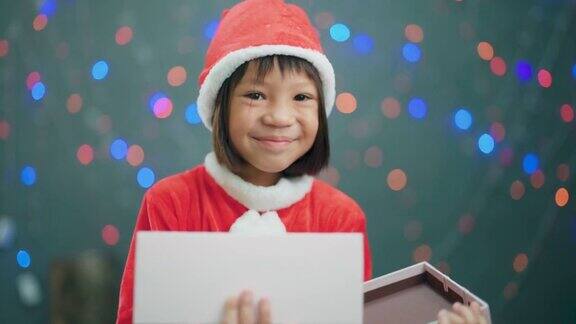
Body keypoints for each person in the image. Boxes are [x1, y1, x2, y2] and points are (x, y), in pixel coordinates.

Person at [116, 1, 487, 323]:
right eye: (256, 94)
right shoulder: (170, 203)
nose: (279, 116)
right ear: (219, 107)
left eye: (302, 97)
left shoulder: (341, 218)